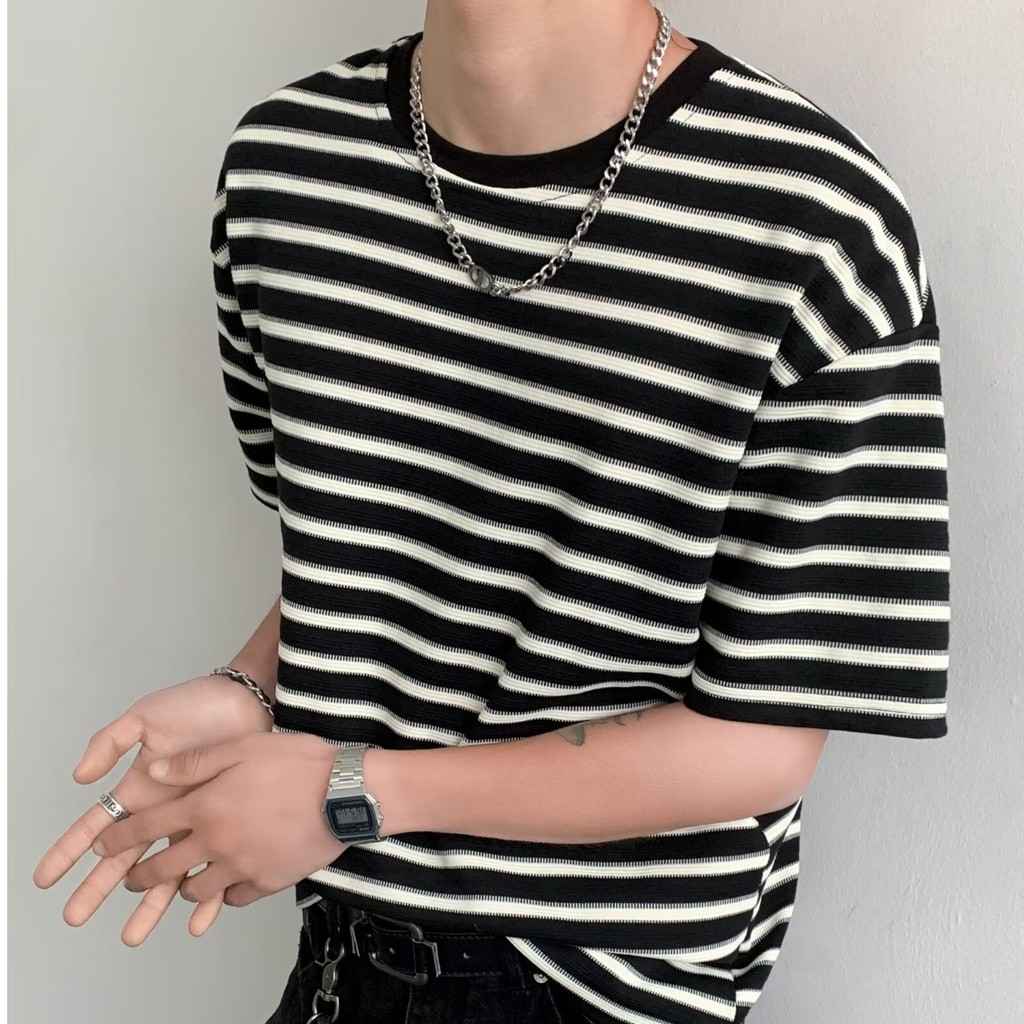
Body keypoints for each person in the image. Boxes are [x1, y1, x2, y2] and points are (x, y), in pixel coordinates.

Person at [34, 1, 951, 1021]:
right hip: (347, 946)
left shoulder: (815, 223)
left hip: (596, 980)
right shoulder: (285, 173)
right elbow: (381, 556)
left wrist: (350, 792)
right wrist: (252, 684)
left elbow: (761, 739)